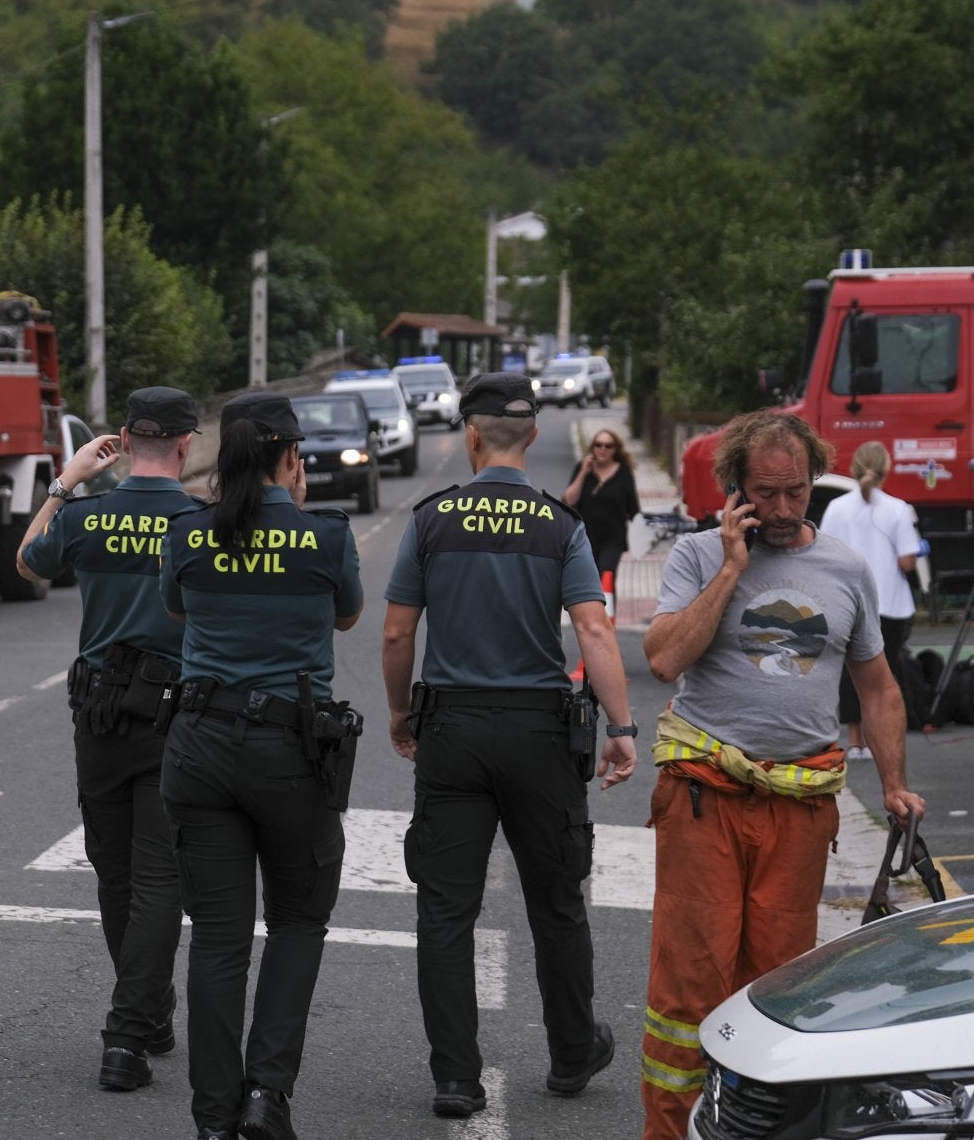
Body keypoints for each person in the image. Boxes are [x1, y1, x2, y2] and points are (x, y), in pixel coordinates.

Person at [639, 411, 926, 1140]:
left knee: (778, 985)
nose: (780, 510)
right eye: (763, 493)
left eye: (795, 492)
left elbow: (879, 688)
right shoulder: (702, 556)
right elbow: (666, 659)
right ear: (735, 488)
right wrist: (734, 569)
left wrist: (893, 784)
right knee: (690, 984)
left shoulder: (846, 570)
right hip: (705, 795)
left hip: (799, 807)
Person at [381, 371, 638, 1121]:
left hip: (452, 731)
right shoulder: (561, 526)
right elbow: (593, 629)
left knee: (445, 908)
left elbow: (398, 632)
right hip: (538, 735)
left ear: (469, 435)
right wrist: (622, 730)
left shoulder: (431, 520)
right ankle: (569, 1054)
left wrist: (402, 714)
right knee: (557, 901)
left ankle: (456, 1078)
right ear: (530, 436)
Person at [158, 392, 364, 1140]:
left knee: (217, 935)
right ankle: (265, 1096)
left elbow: (179, 611)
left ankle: (213, 1119)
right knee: (299, 921)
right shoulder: (327, 539)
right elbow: (345, 615)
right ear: (290, 459)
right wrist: (295, 515)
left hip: (200, 747)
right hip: (290, 753)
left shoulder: (188, 535)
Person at [16, 387, 203, 1094]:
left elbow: (29, 562)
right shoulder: (200, 522)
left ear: (124, 438)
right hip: (177, 716)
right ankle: (133, 1028)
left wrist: (66, 482)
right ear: (187, 443)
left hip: (98, 718)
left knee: (115, 872)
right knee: (159, 876)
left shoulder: (91, 515)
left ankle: (143, 1018)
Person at [818, 440, 922, 760]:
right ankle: (883, 742)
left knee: (850, 674)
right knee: (883, 676)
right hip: (889, 603)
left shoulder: (836, 508)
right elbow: (907, 562)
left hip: (848, 602)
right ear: (886, 470)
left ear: (854, 468)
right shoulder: (898, 509)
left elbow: (825, 552)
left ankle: (855, 742)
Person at [560, 427, 641, 590]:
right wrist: (583, 471)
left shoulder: (623, 472)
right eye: (598, 445)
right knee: (587, 582)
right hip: (585, 538)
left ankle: (609, 615)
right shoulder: (583, 469)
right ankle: (588, 615)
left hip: (613, 539)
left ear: (615, 449)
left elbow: (634, 509)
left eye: (608, 446)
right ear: (592, 448)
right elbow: (569, 500)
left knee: (606, 577)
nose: (602, 449)